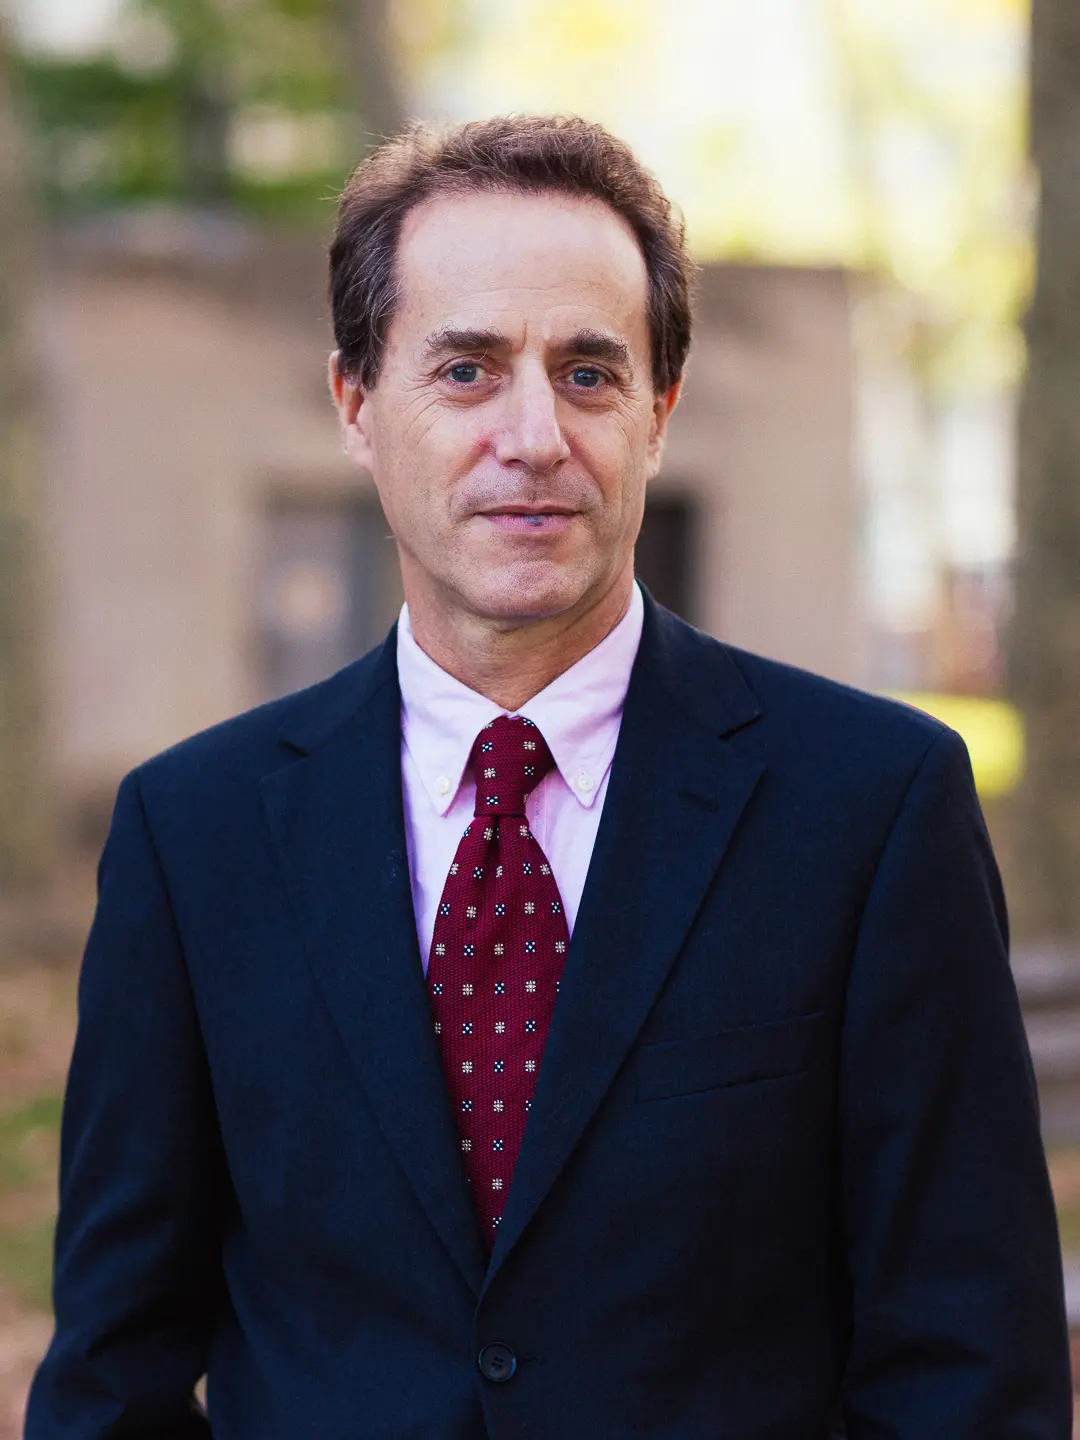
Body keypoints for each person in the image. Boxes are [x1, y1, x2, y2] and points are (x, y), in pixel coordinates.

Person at [27, 114, 1070, 1439]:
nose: (534, 435)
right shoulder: (195, 835)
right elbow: (111, 1372)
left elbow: (971, 1370)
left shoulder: (873, 808)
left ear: (658, 413)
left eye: (588, 374)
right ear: (357, 403)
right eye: (466, 370)